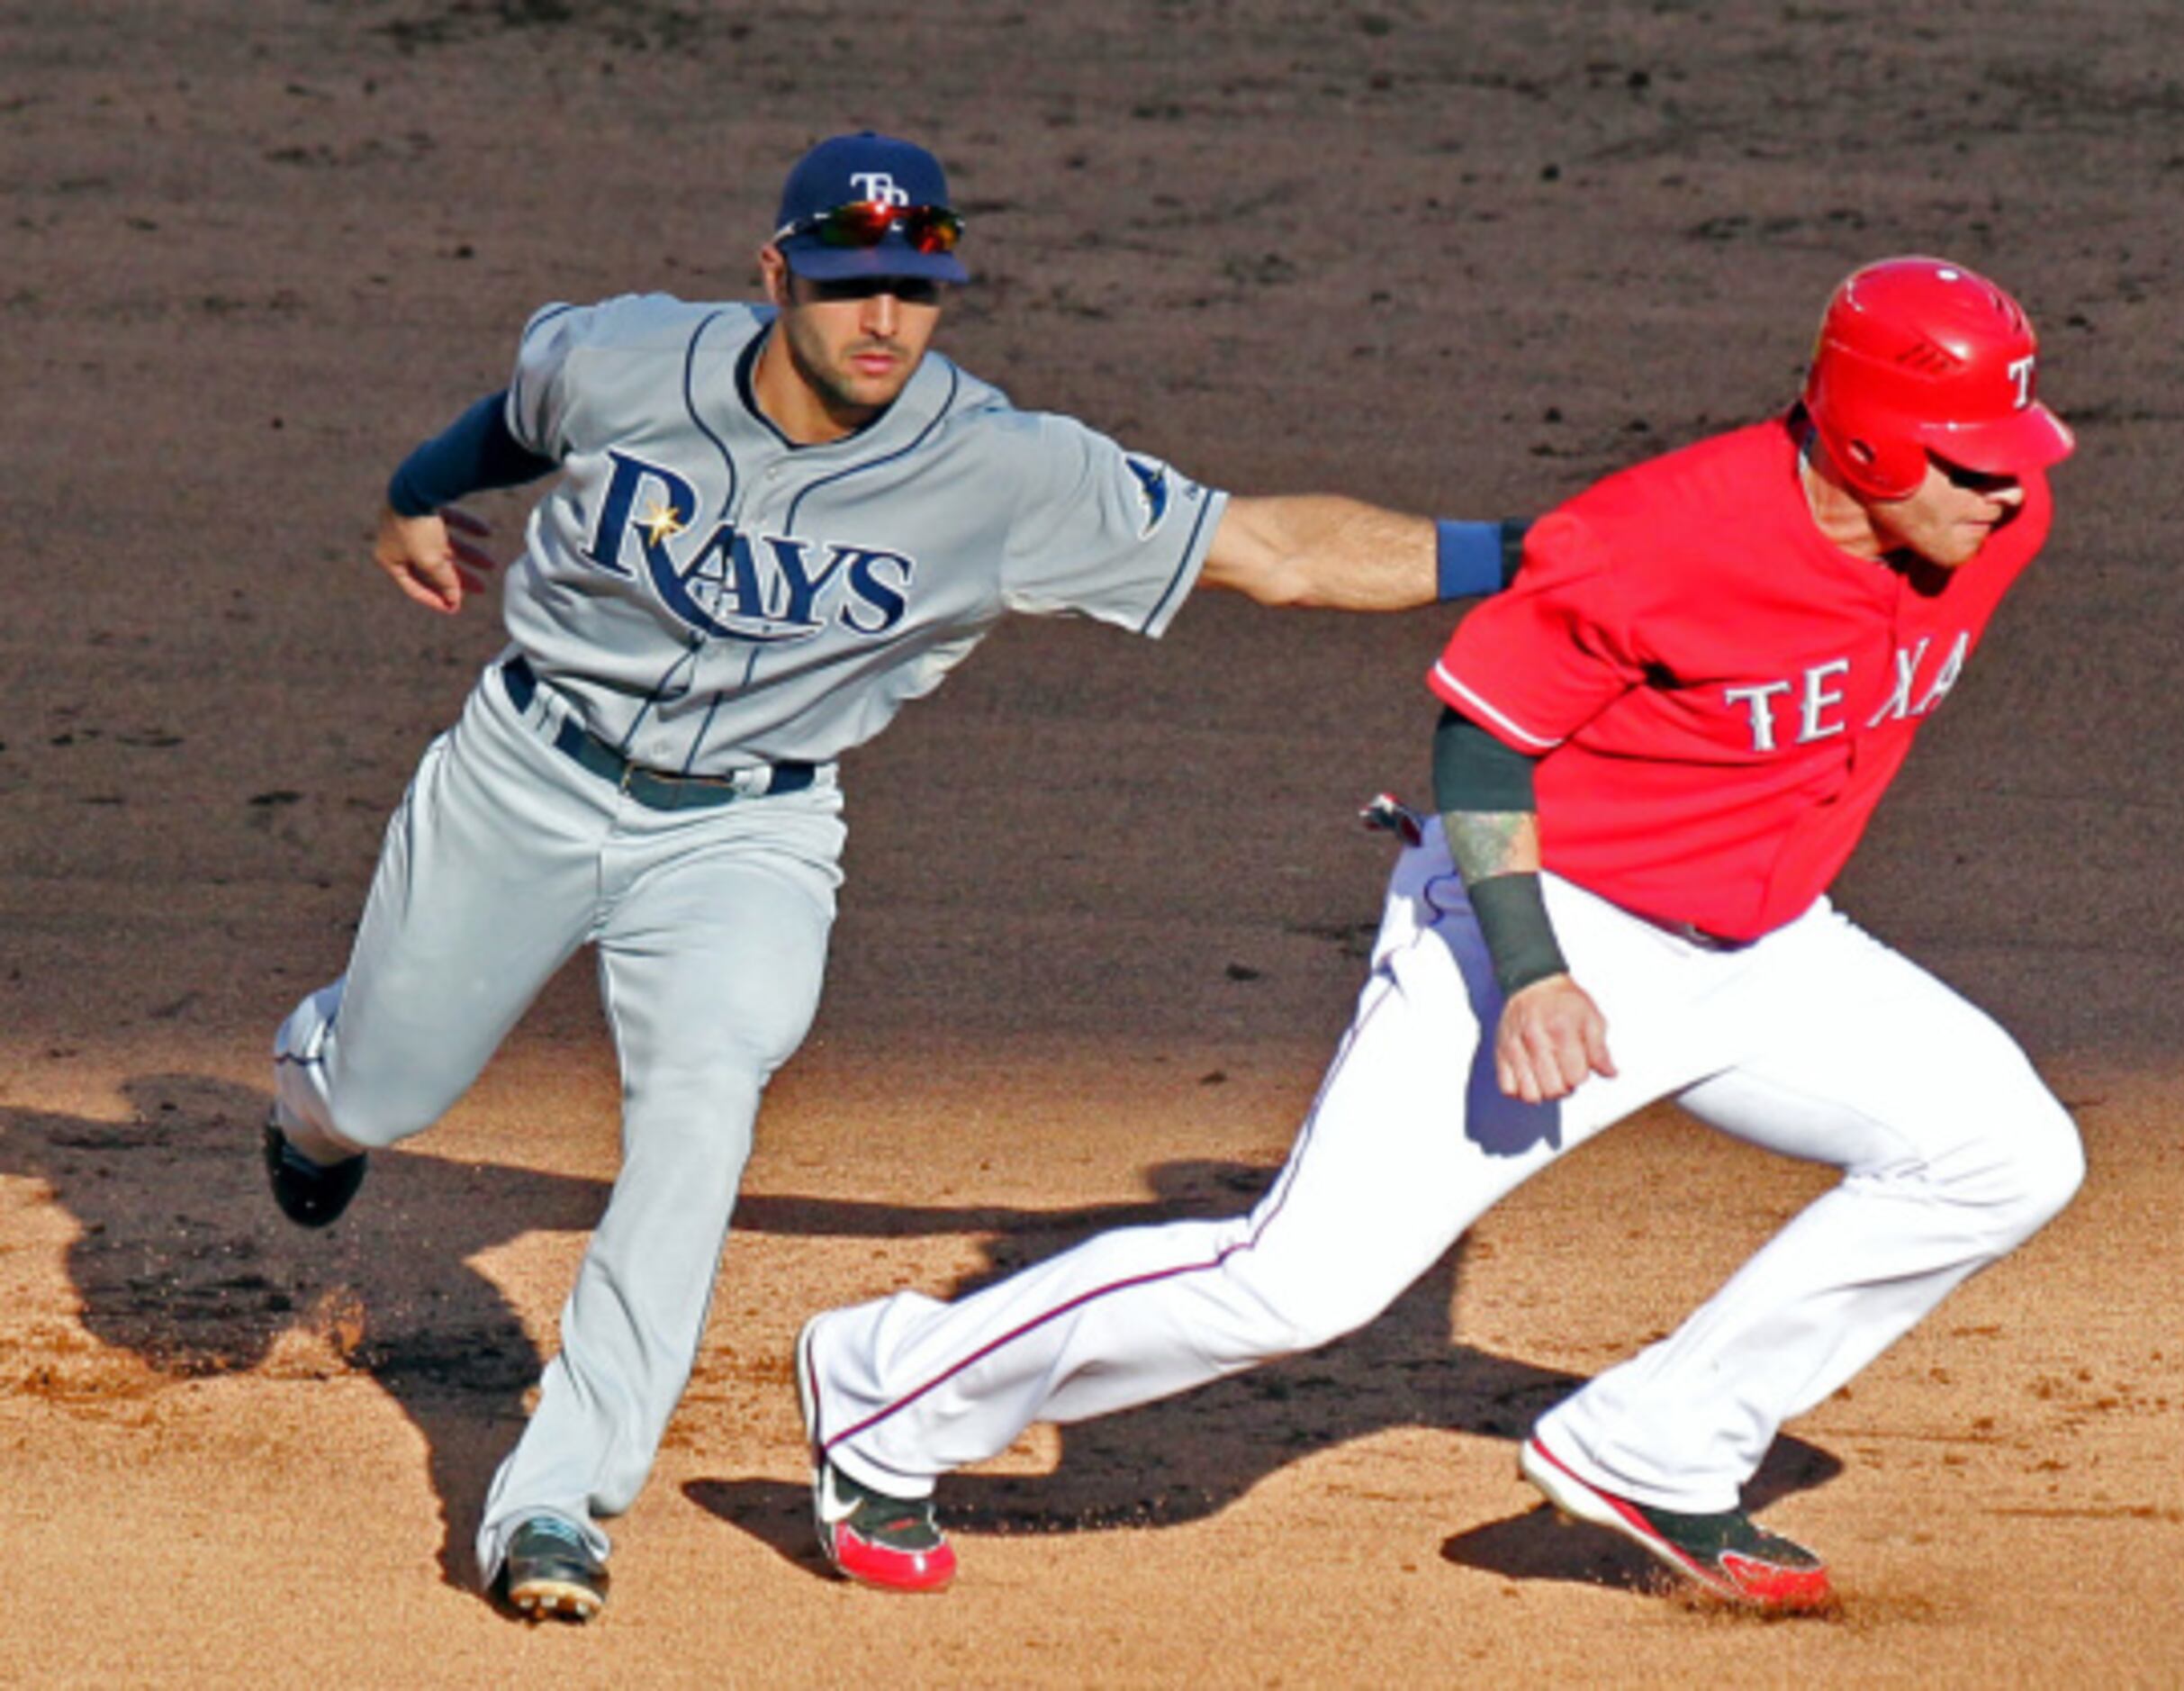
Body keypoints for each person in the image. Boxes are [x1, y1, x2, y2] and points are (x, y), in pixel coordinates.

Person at [262, 130, 1521, 1623]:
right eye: (852, 283)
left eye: (917, 289)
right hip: (521, 774)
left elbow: (1274, 551)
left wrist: (1539, 553)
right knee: (387, 1089)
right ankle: (312, 1092)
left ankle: (560, 1498)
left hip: (745, 836)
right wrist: (412, 494)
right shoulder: (626, 357)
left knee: (701, 1108)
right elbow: (511, 424)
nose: (884, 321)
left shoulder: (1000, 470)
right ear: (776, 273)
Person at [791, 256, 2088, 1612]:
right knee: (1290, 1289)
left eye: (2012, 458)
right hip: (1542, 924)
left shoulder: (1993, 521)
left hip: (1767, 947)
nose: (2004, 490)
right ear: (1869, 434)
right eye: (1968, 461)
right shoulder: (1668, 536)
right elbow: (1483, 744)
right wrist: (1529, 968)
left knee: (1999, 1155)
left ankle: (1657, 1444)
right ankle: (888, 1385)